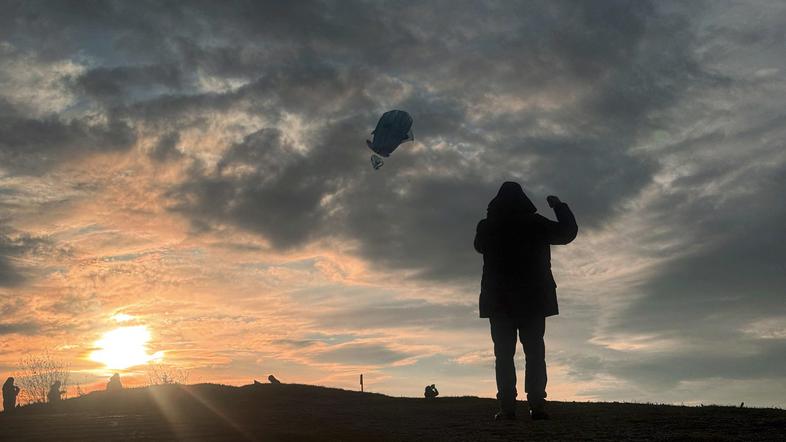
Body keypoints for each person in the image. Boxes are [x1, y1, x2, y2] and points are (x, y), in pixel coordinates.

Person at [474, 182, 577, 421]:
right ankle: (537, 405)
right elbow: (567, 233)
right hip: (532, 300)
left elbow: (478, 247)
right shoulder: (536, 224)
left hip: (499, 301)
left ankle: (508, 407)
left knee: (503, 355)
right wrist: (559, 206)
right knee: (534, 352)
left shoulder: (487, 227)